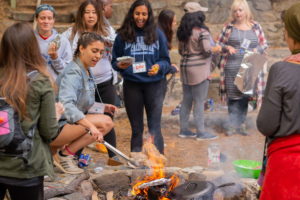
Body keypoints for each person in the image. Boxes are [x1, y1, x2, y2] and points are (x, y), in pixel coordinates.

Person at [0, 23, 59, 200]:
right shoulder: (40, 81)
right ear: (32, 47)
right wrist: (57, 114)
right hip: (26, 167)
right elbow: (49, 132)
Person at [111, 0, 171, 154]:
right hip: (132, 86)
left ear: (149, 15)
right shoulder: (122, 36)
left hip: (155, 85)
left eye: (144, 14)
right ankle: (137, 164)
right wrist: (120, 65)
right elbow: (114, 61)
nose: (140, 17)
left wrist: (159, 67)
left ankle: (158, 164)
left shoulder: (158, 34)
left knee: (154, 127)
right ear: (132, 14)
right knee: (137, 129)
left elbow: (166, 61)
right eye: (137, 13)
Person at [51, 32, 115, 174]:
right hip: (54, 127)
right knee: (106, 123)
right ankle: (66, 155)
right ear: (81, 48)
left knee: (105, 119)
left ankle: (59, 154)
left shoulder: (86, 70)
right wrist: (91, 126)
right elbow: (67, 105)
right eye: (94, 51)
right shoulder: (73, 73)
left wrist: (102, 107)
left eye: (101, 52)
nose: (98, 56)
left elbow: (82, 102)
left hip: (66, 125)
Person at [257, 3, 300, 199]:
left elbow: (267, 125)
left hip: (287, 169)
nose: (284, 35)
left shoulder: (282, 69)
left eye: (286, 29)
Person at [216, 0, 267, 136]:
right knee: (233, 97)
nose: (238, 13)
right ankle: (232, 124)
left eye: (240, 10)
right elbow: (218, 45)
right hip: (232, 67)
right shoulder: (228, 28)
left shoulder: (256, 27)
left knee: (244, 97)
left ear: (246, 11)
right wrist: (227, 47)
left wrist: (257, 49)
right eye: (235, 11)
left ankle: (242, 124)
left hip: (249, 66)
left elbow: (264, 44)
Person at [176, 3, 217, 140]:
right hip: (199, 70)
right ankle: (201, 132)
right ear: (197, 15)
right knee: (199, 101)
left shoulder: (183, 31)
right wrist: (217, 49)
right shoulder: (202, 31)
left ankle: (184, 130)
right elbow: (207, 50)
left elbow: (181, 51)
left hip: (185, 69)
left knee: (186, 100)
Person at [90, 0, 121, 165]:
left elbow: (118, 47)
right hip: (84, 83)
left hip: (105, 81)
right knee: (84, 119)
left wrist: (110, 44)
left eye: (94, 13)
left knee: (108, 117)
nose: (91, 16)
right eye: (88, 12)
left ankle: (113, 157)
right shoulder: (74, 32)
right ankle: (74, 155)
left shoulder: (107, 29)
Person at [34, 4, 72, 80]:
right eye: (42, 18)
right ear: (36, 19)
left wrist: (55, 58)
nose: (46, 21)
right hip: (34, 85)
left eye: (49, 18)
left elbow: (68, 71)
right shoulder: (30, 39)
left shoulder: (62, 41)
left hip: (55, 86)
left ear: (54, 20)